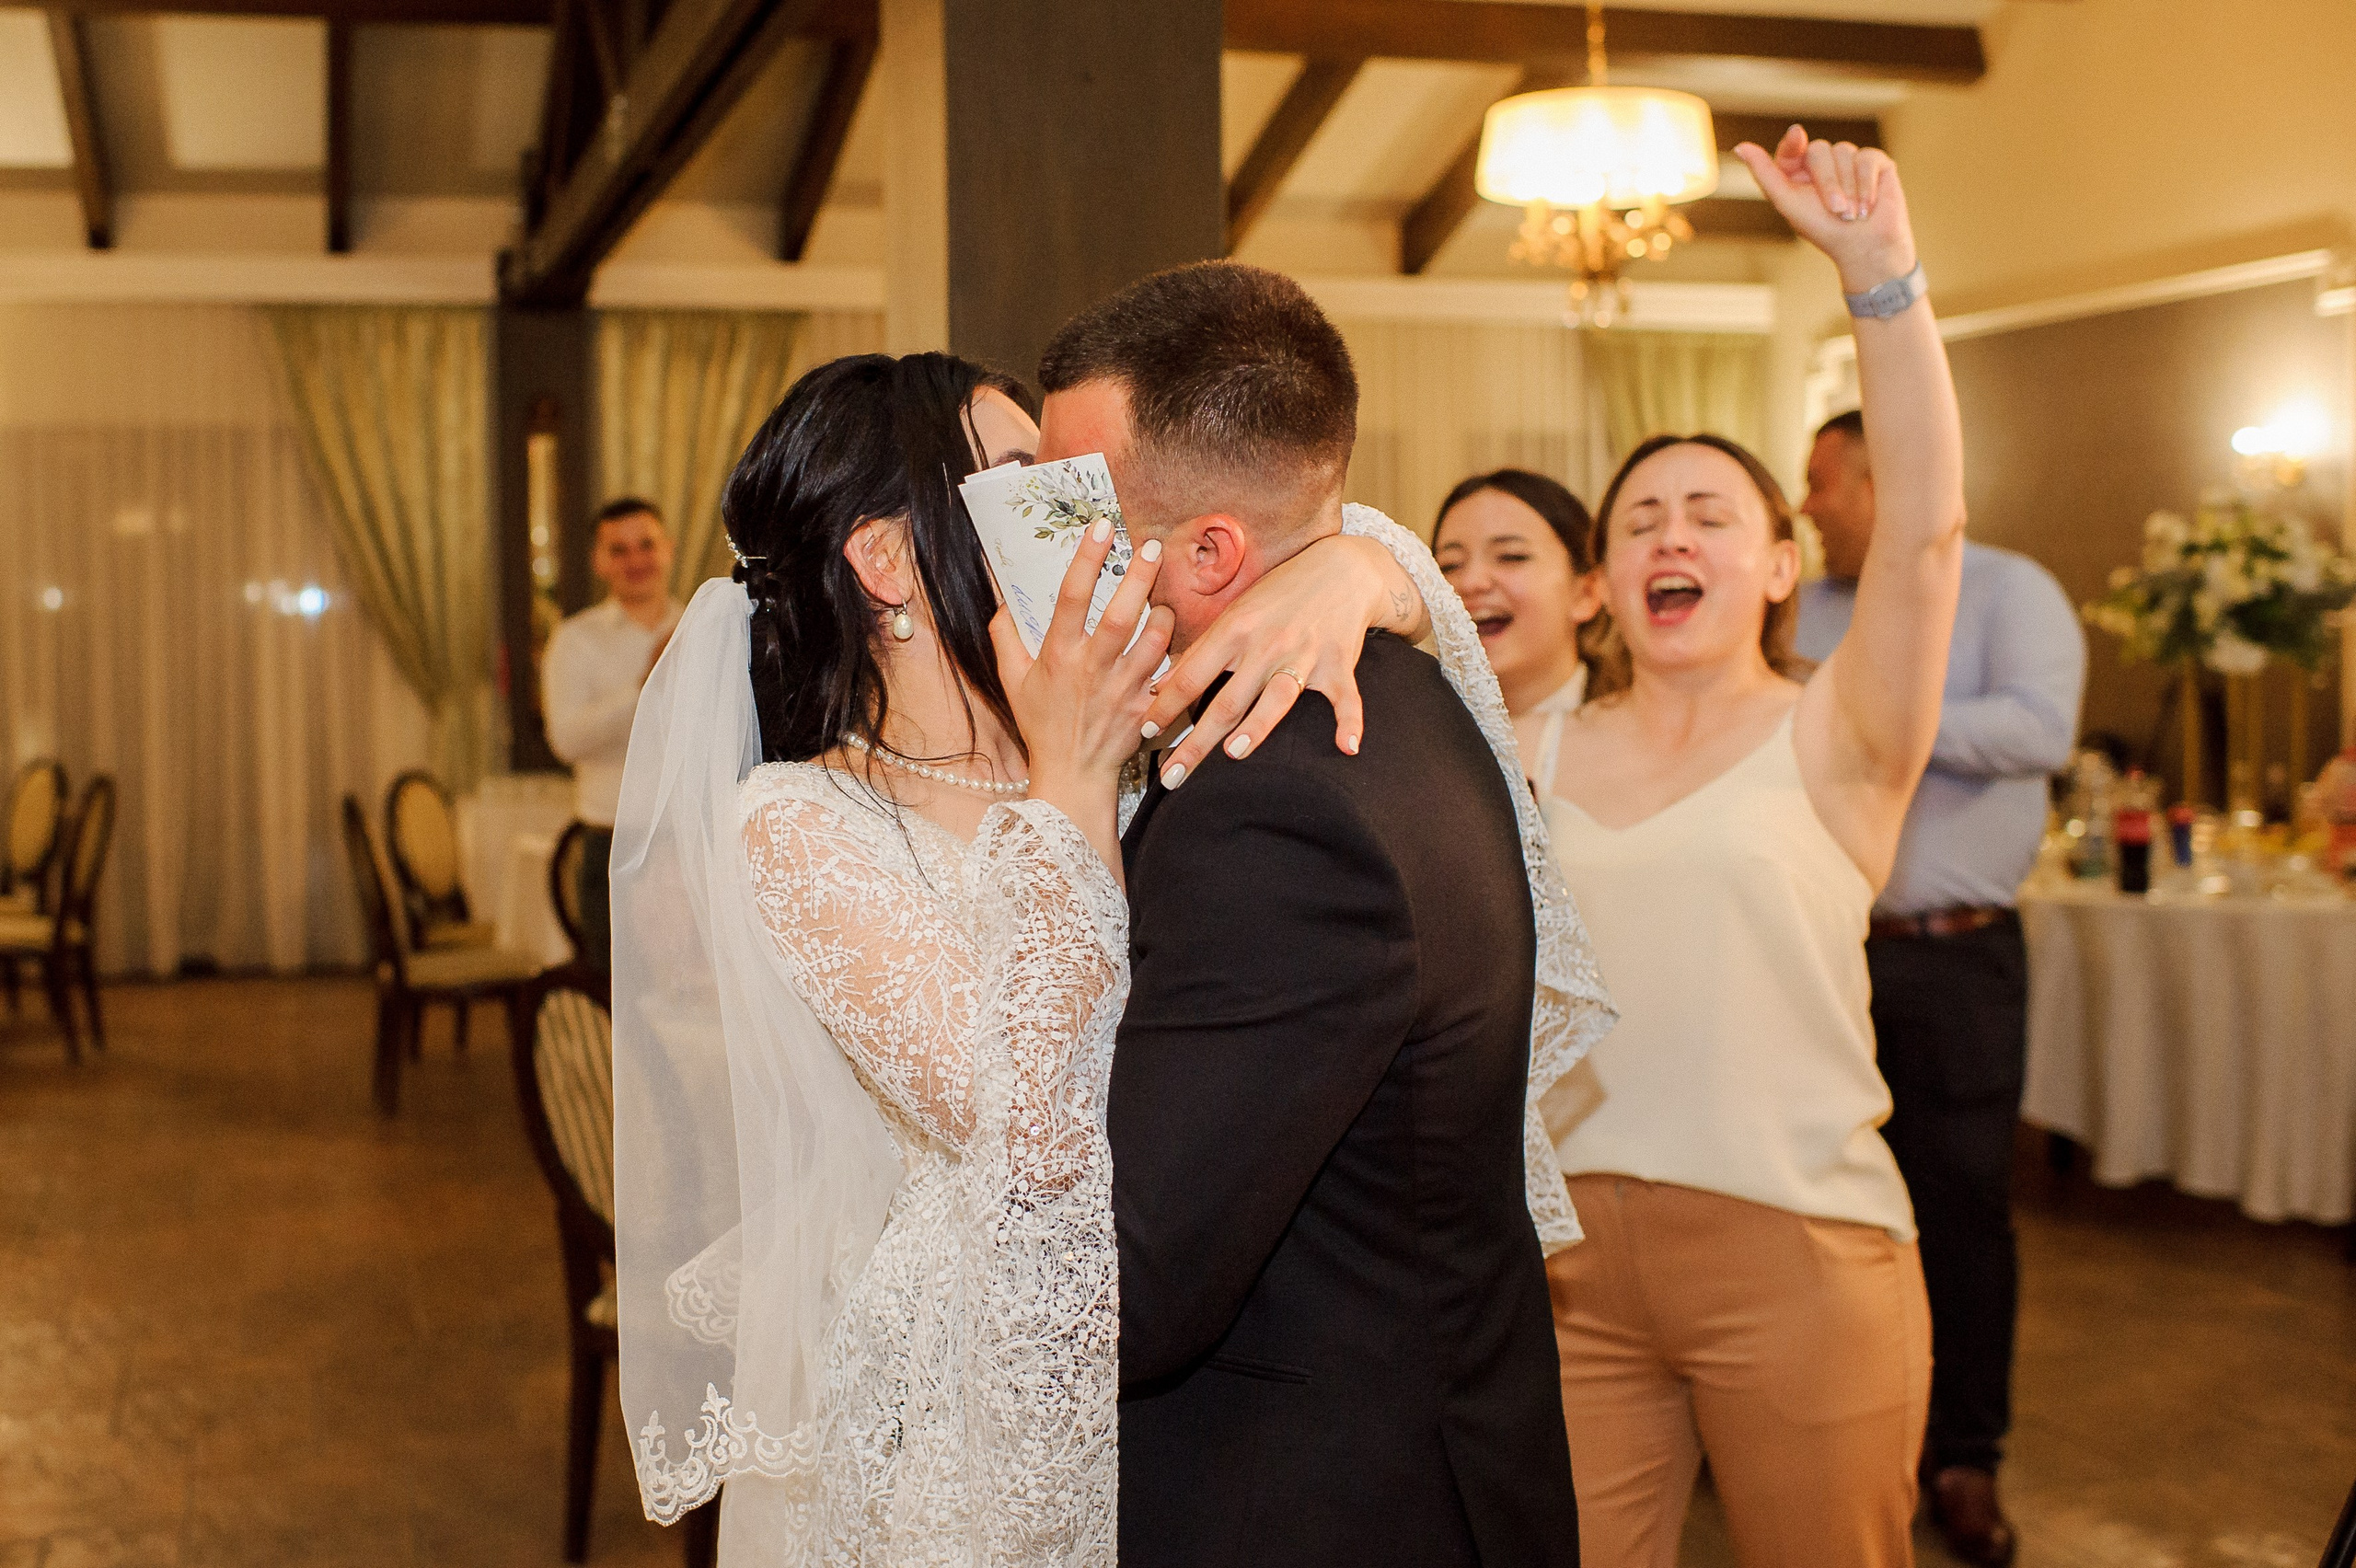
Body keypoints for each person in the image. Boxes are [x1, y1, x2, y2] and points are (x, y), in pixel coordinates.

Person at [606, 350, 1524, 1565]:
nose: (1083, 515)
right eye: (1025, 481)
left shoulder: (1134, 724)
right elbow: (1027, 1129)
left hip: (1185, 1392)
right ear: (887, 562)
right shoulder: (798, 824)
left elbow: (1286, 551)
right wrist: (1075, 781)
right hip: (964, 1415)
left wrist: (1357, 568)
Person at [1035, 260, 1613, 1568]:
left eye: (1076, 509)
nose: (1053, 549)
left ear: (1210, 551)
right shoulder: (1412, 691)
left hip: (1316, 1499)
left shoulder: (1269, 806)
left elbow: (1137, 1284)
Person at [1537, 125, 1965, 1568]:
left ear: (1780, 565)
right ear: (1602, 583)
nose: (1674, 537)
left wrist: (1881, 278)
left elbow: (1925, 536)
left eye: (1710, 516)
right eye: (1642, 521)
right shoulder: (1531, 749)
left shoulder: (1841, 735)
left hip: (1802, 1251)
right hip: (1570, 1264)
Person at [1796, 408, 2085, 1567]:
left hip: (1956, 957)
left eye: (1822, 482)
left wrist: (1873, 711)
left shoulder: (2012, 591)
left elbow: (2038, 730)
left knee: (1959, 1211)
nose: (1807, 505)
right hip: (1817, 949)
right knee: (1813, 1203)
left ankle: (1964, 1456)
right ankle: (1817, 1427)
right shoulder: (1799, 607)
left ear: (1883, 479)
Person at [541, 497, 679, 972]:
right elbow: (565, 740)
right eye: (618, 550)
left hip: (690, 843)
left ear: (669, 550)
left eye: (646, 545)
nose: (635, 560)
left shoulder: (699, 629)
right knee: (617, 996)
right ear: (599, 562)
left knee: (699, 1000)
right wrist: (645, 687)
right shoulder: (575, 639)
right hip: (611, 844)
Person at [1433, 468, 1611, 791]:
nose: (1471, 582)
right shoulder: (1412, 733)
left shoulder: (1636, 730)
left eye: (1511, 556)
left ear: (1585, 593)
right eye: (1450, 565)